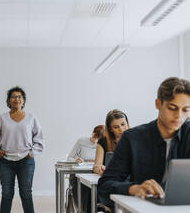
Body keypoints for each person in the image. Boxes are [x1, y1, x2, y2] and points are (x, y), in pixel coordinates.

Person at [98, 77, 190, 207]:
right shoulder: (132, 138)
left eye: (186, 110)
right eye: (172, 108)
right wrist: (133, 188)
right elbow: (104, 185)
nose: (179, 116)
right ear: (158, 104)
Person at [0, 86, 44, 213]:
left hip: (26, 161)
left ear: (23, 101)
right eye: (13, 97)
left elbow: (39, 138)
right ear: (8, 101)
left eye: (19, 97)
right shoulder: (2, 118)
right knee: (7, 194)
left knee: (26, 193)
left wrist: (31, 153)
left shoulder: (31, 117)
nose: (16, 99)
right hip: (5, 162)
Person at [67, 125, 105, 213]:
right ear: (93, 133)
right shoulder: (81, 141)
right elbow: (69, 158)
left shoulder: (103, 144)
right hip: (79, 173)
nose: (95, 141)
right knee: (83, 192)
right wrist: (76, 160)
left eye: (98, 140)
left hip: (94, 173)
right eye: (94, 137)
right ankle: (83, 209)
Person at [93, 110, 129, 176]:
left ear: (127, 123)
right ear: (110, 129)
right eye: (116, 127)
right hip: (111, 180)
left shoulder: (135, 140)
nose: (121, 129)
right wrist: (100, 169)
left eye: (123, 124)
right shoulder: (103, 142)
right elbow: (96, 167)